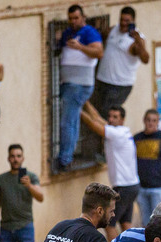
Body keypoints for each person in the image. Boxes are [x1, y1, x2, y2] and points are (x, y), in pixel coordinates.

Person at [81, 102, 140, 239]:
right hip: (132, 186)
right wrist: (86, 102)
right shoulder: (123, 132)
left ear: (122, 120)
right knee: (125, 224)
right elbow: (96, 117)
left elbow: (94, 124)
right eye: (110, 116)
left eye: (115, 117)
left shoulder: (116, 133)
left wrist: (78, 110)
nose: (111, 119)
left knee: (109, 224)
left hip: (123, 187)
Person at [56, 5, 103, 171]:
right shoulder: (68, 32)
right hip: (69, 84)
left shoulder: (89, 32)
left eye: (76, 18)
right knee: (72, 119)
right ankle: (67, 156)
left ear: (83, 17)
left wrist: (81, 47)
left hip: (79, 84)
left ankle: (65, 159)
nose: (73, 21)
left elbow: (99, 52)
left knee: (68, 122)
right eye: (71, 18)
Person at [94, 6, 150, 112]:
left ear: (133, 21)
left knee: (107, 115)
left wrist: (138, 41)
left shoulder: (137, 39)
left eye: (127, 21)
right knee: (98, 112)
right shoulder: (113, 30)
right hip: (103, 80)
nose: (123, 23)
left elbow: (146, 59)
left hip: (120, 85)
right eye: (121, 20)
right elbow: (101, 37)